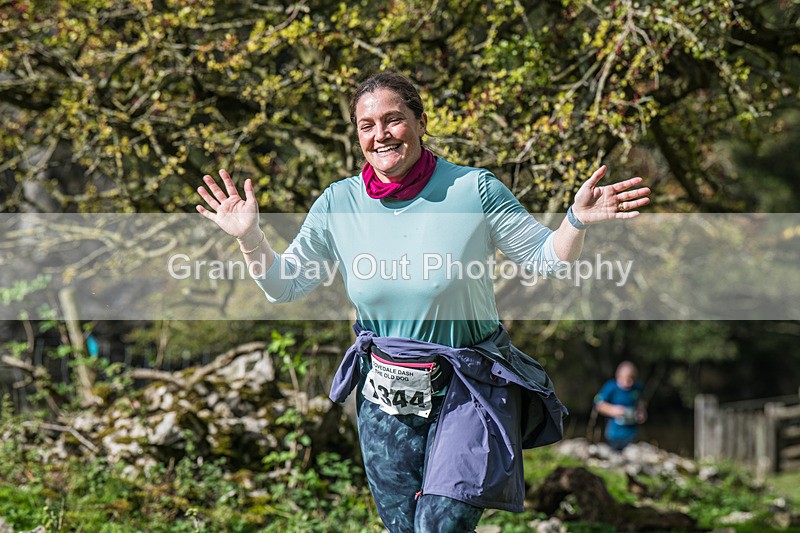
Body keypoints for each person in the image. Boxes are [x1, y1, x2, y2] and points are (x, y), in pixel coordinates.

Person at [196, 72, 650, 532]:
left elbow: (546, 258)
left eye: (393, 120)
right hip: (384, 396)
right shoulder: (338, 203)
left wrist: (575, 221)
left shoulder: (473, 189)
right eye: (367, 125)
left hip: (468, 387)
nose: (381, 135)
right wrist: (250, 238)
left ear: (420, 123)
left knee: (441, 526)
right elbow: (285, 285)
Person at [594, 361, 648, 451]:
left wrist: (641, 412)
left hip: (632, 433)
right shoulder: (611, 387)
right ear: (619, 376)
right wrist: (614, 410)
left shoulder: (638, 387)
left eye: (632, 378)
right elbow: (598, 404)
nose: (630, 382)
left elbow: (641, 401)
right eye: (627, 378)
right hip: (614, 434)